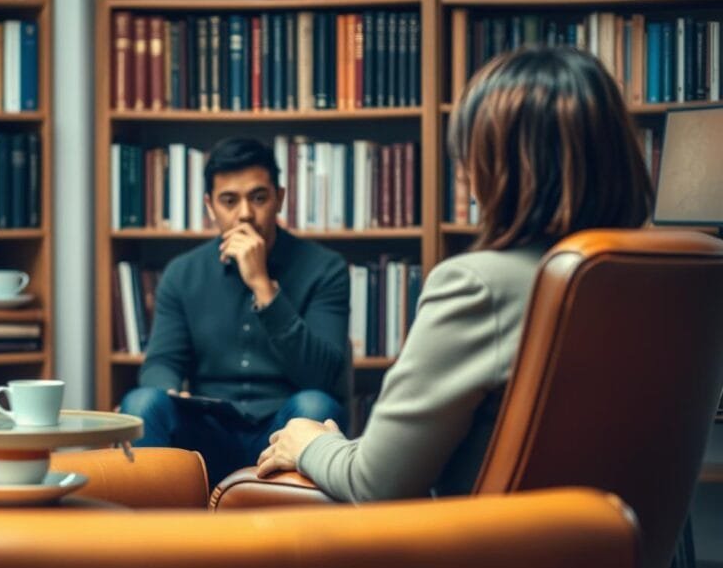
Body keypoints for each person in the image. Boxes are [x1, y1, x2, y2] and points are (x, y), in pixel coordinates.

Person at [256, 46, 653, 501]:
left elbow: (374, 486)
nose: (462, 176)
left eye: (470, 152)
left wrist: (309, 443)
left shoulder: (478, 286)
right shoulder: (653, 279)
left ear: (502, 165)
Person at [119, 137, 350, 486]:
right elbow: (161, 364)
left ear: (280, 199)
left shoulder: (325, 268)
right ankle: (156, 538)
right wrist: (167, 389)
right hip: (207, 431)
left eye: (258, 198)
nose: (244, 213)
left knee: (317, 406)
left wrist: (263, 286)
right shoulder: (183, 272)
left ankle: (296, 539)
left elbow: (321, 376)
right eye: (230, 201)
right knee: (142, 402)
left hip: (284, 431)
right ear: (211, 207)